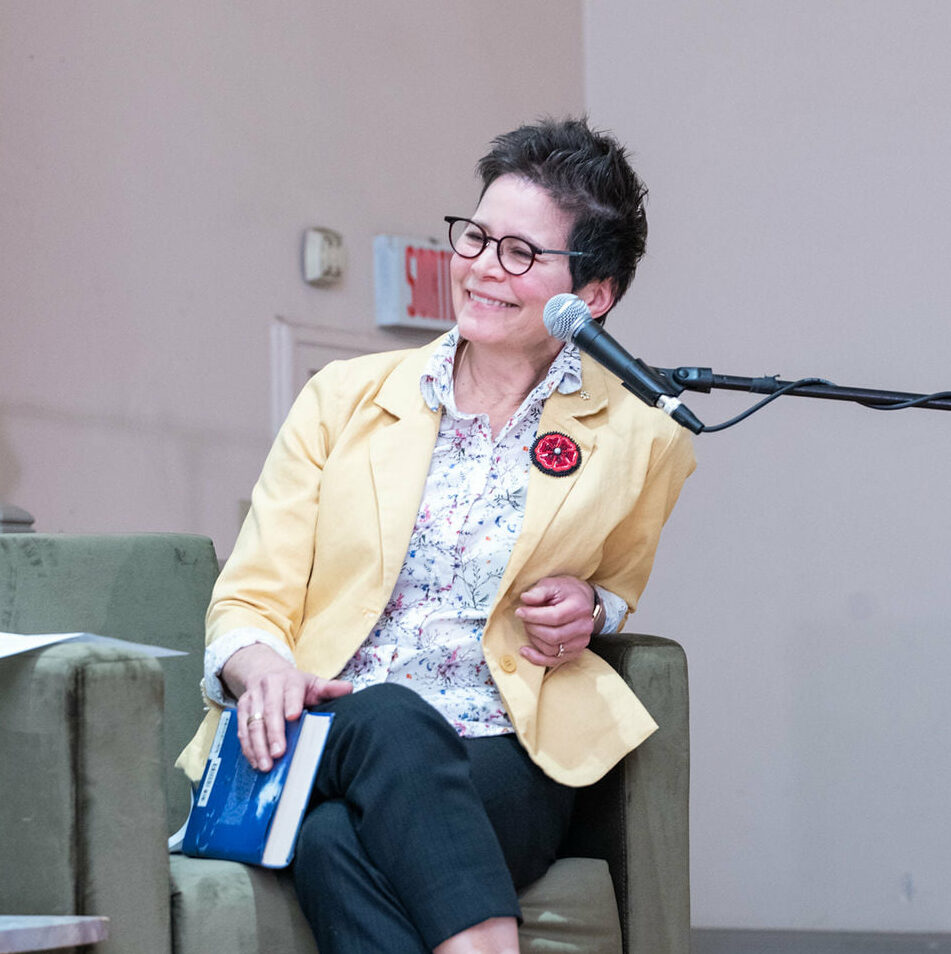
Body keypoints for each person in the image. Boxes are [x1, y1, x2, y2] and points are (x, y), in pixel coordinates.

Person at [177, 116, 695, 954]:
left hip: (501, 747)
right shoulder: (340, 398)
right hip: (329, 730)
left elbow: (619, 584)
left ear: (590, 298)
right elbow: (248, 594)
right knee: (386, 715)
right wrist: (260, 663)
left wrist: (591, 608)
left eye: (521, 253)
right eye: (476, 237)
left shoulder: (643, 436)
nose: (484, 266)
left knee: (331, 843)